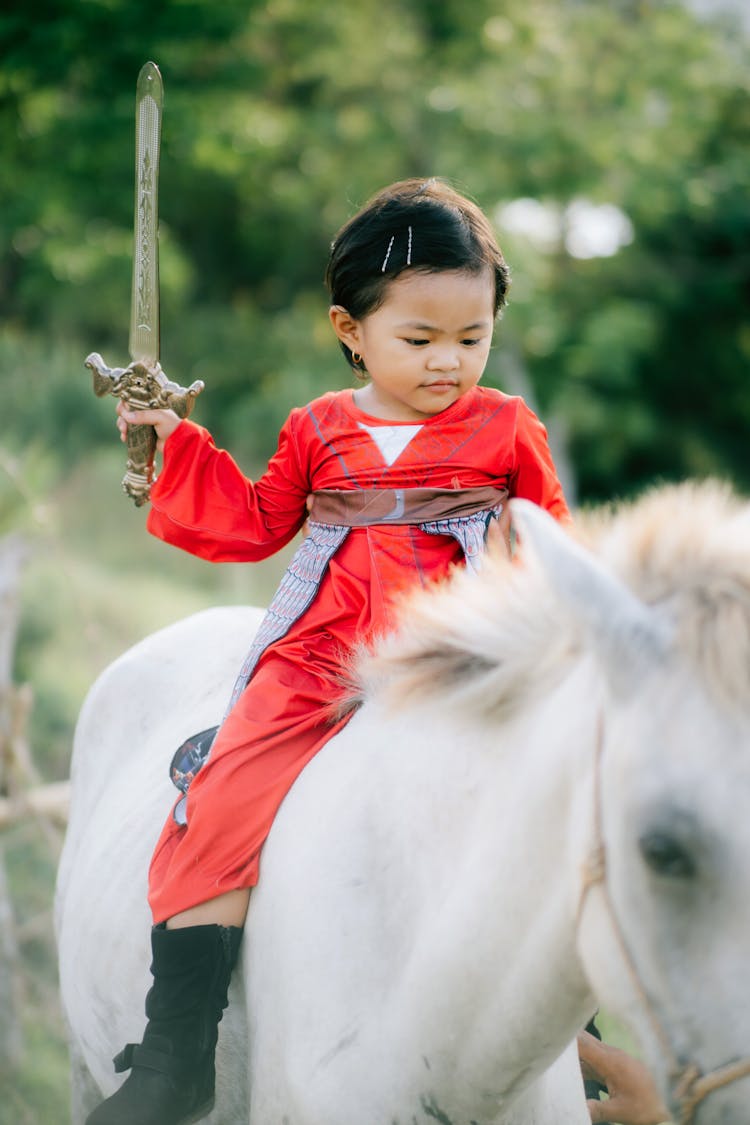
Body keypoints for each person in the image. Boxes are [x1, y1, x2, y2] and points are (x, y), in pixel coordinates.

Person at [86, 177, 570, 1125]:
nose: (449, 363)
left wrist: (542, 599)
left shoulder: (504, 427)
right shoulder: (321, 428)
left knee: (549, 802)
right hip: (319, 657)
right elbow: (255, 521)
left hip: (457, 653)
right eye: (420, 340)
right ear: (351, 328)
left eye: (471, 339)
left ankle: (573, 1050)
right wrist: (173, 447)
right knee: (216, 798)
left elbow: (554, 538)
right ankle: (176, 1051)